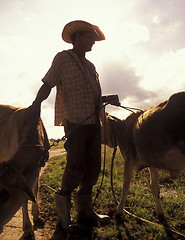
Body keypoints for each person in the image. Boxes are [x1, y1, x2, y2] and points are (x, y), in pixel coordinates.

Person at [32, 20, 120, 231]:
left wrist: (107, 98)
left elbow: (93, 94)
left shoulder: (91, 66)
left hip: (94, 122)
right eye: (90, 37)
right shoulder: (63, 58)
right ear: (78, 38)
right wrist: (35, 106)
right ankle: (64, 217)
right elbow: (47, 83)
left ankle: (86, 213)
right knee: (76, 165)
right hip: (76, 121)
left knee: (93, 167)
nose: (93, 42)